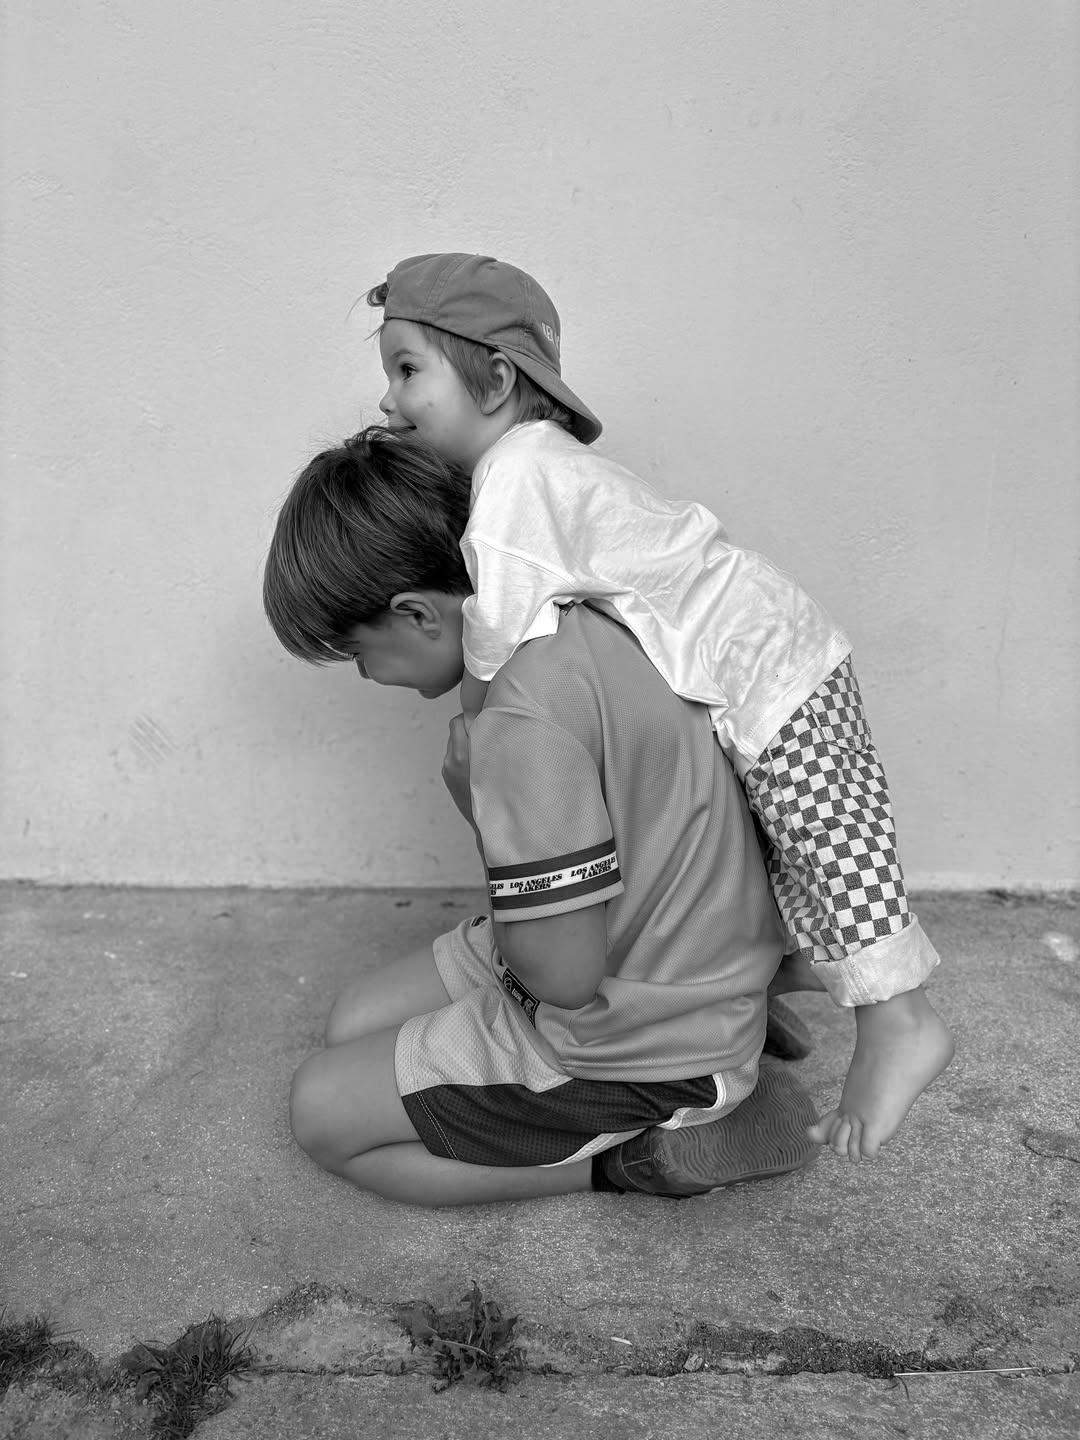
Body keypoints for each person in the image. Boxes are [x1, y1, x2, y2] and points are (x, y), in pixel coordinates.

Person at [363, 252, 954, 1164]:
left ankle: (901, 1021)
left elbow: (501, 637)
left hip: (769, 665)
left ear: (496, 377)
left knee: (838, 856)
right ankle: (761, 1004)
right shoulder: (541, 466)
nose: (390, 402)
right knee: (774, 858)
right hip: (751, 665)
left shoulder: (515, 482)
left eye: (409, 370)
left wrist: (485, 743)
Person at [262, 427, 819, 1205]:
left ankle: (643, 1156)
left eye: (358, 652)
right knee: (349, 1021)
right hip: (672, 956)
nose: (364, 674)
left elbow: (560, 977)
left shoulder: (522, 723)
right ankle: (734, 1026)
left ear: (418, 614)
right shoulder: (574, 615)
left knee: (320, 1109)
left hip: (636, 1039)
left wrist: (480, 809)